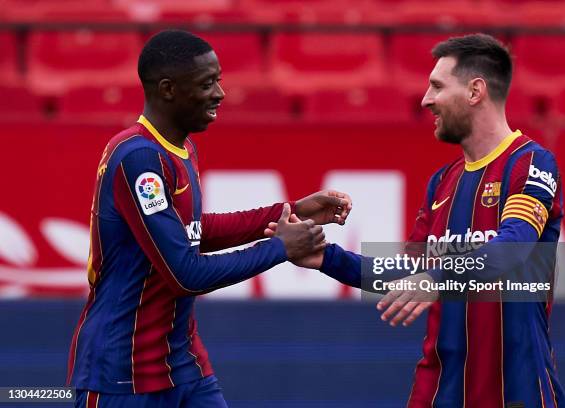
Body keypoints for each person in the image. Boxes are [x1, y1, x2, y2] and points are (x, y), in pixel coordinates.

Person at [268, 33, 565, 407]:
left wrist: (436, 278)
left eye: (437, 86)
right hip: (439, 390)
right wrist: (325, 258)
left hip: (518, 390)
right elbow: (409, 273)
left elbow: (511, 252)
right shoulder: (441, 183)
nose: (426, 99)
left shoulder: (531, 164)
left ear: (475, 91)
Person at [67, 29, 352, 408]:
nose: (220, 94)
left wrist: (292, 210)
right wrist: (280, 248)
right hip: (122, 374)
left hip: (184, 365)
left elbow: (194, 232)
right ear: (168, 89)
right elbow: (186, 273)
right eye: (207, 83)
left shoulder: (181, 148)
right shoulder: (138, 159)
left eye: (218, 80)